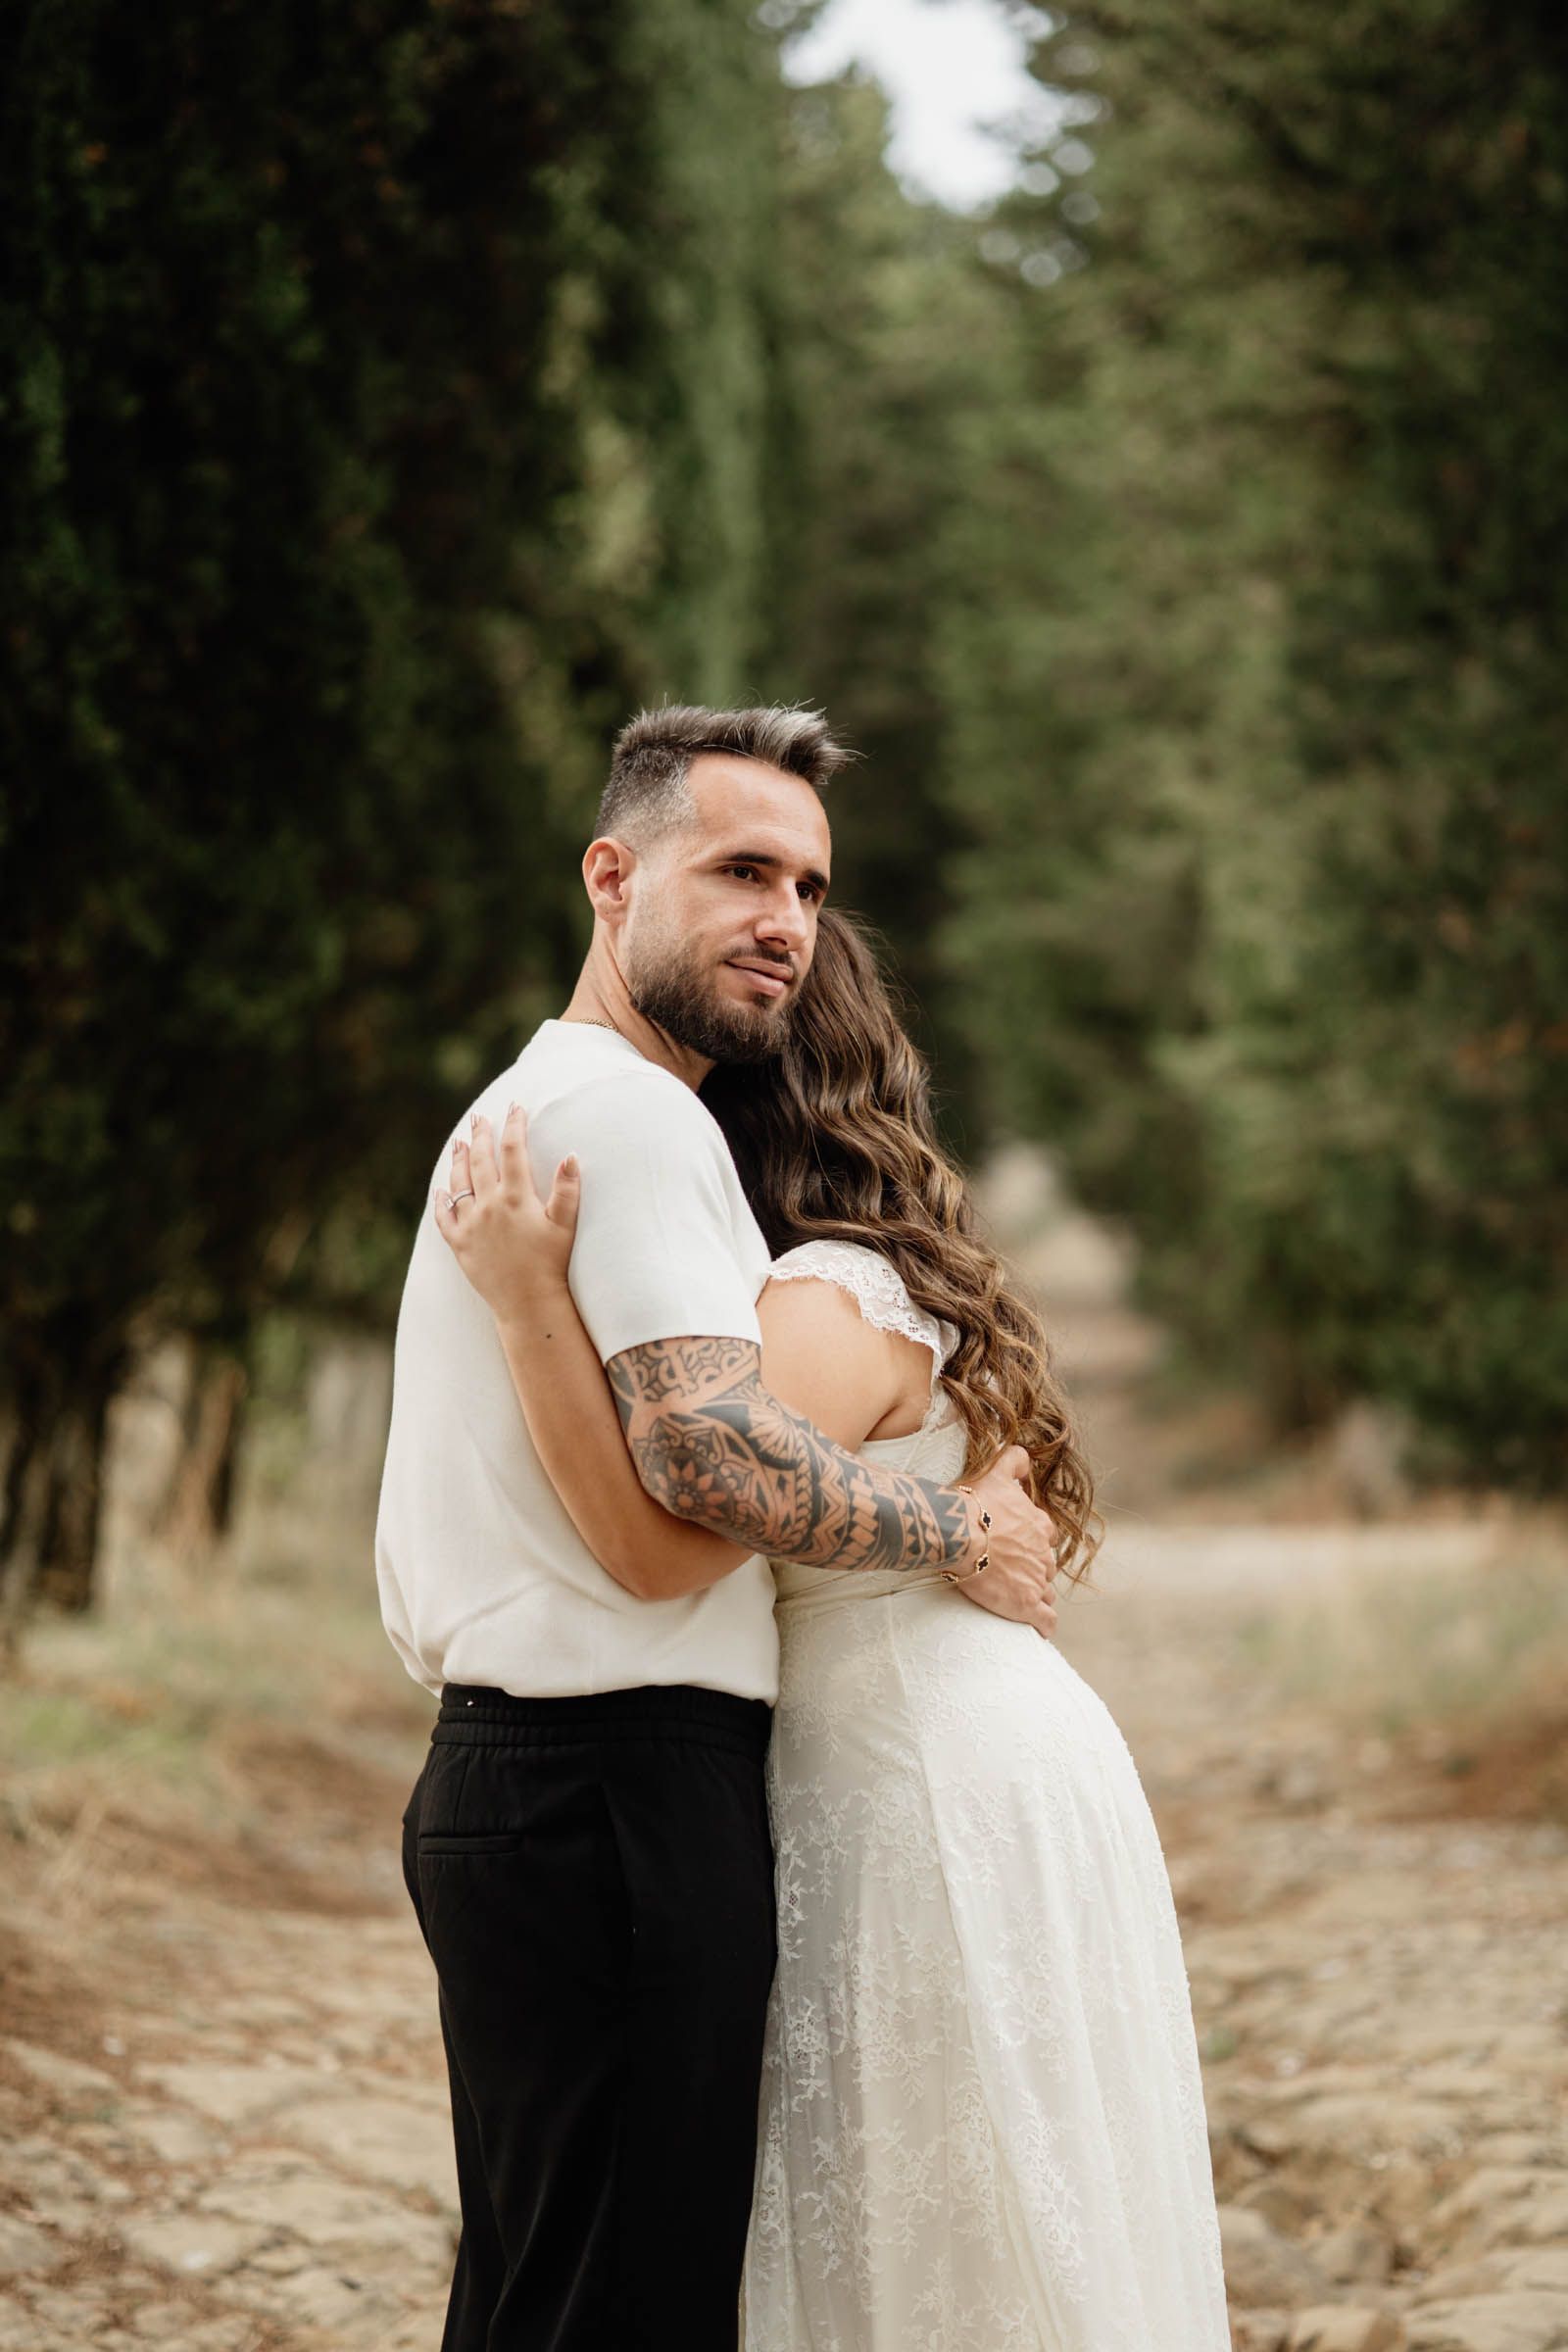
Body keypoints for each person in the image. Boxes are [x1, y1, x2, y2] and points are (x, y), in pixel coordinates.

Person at [437, 905, 1232, 2352]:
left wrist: (526, 1305)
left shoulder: (815, 1299)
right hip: (967, 1749)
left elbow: (664, 1539)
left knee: (932, 2228)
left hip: (912, 1784)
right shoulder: (879, 1280)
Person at [375, 703, 1059, 2352]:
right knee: (620, 2305)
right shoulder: (631, 1116)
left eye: (809, 887)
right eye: (742, 871)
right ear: (611, 877)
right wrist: (951, 1528)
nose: (786, 921)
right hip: (609, 1785)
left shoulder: (558, 1106)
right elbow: (694, 1479)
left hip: (542, 1782)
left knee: (552, 2293)